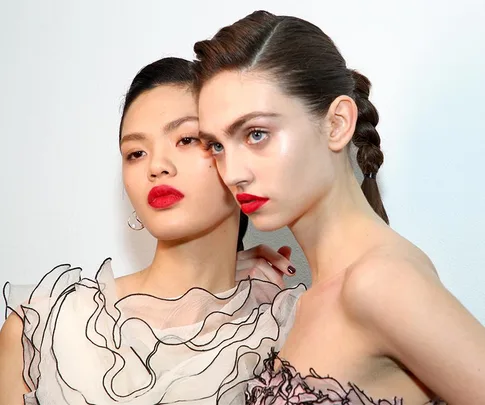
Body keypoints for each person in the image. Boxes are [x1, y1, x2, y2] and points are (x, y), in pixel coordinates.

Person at [193, 10, 485, 404]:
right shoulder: (316, 295)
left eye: (256, 134)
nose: (232, 172)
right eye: (217, 146)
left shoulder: (379, 282)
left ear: (337, 123)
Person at [0, 56, 304, 405]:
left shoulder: (290, 329)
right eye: (136, 153)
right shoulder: (43, 333)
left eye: (187, 139)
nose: (157, 166)